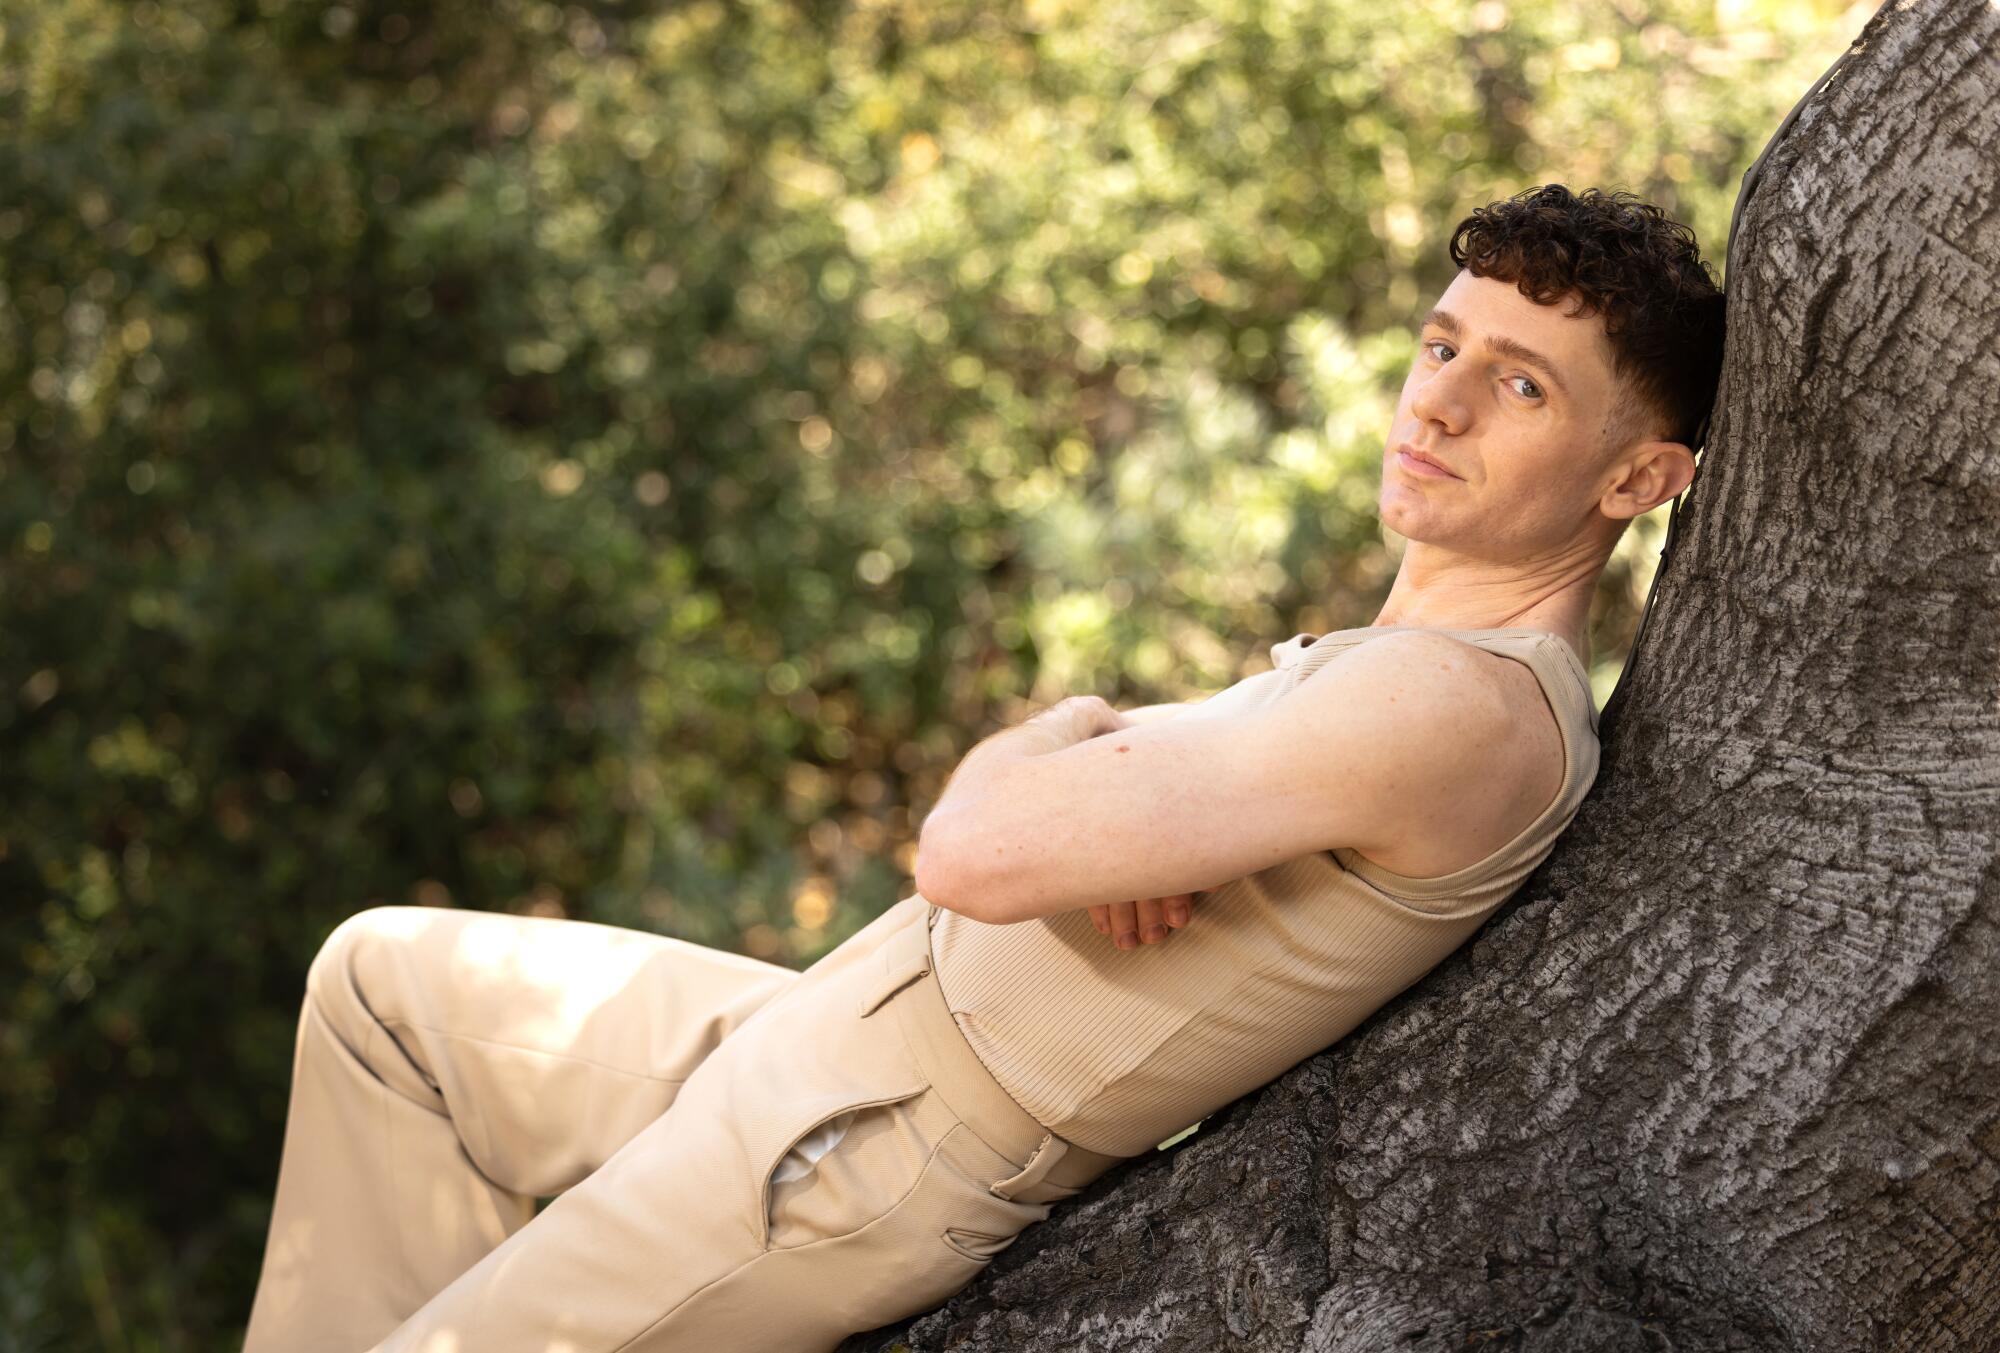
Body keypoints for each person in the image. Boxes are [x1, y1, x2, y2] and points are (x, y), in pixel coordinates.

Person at [242, 183, 1724, 1352]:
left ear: (1637, 478)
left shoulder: (1466, 711)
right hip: (825, 1026)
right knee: (385, 990)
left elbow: (975, 853)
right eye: (1442, 343)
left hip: (861, 1148)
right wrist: (1094, 780)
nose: (1442, 400)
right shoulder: (1390, 665)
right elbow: (1038, 832)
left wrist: (1074, 768)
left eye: (1521, 387)